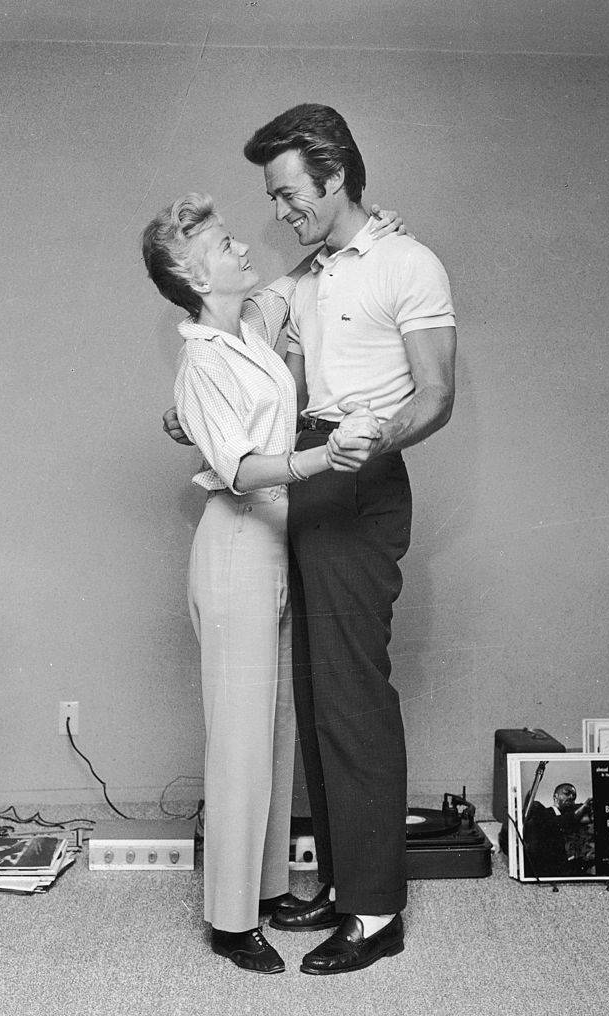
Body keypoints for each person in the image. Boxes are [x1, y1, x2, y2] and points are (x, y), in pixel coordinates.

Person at [165, 103, 457, 975]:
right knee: (316, 691)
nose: (282, 211)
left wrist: (371, 445)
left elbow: (437, 395)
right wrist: (192, 413)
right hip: (304, 469)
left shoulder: (410, 262)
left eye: (292, 195)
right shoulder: (309, 274)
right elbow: (226, 328)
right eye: (274, 198)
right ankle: (338, 882)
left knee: (353, 692)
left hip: (356, 475)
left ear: (335, 177)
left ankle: (375, 912)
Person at [143, 193, 401, 975]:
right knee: (239, 738)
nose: (241, 250)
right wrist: (330, 457)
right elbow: (241, 466)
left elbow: (294, 275)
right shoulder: (202, 358)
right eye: (225, 246)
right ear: (193, 274)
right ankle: (228, 923)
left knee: (275, 729)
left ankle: (258, 894)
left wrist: (363, 227)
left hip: (276, 539)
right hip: (235, 541)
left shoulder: (247, 326)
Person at [524, 783, 594, 877]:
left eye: (574, 796)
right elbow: (559, 822)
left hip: (564, 869)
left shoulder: (572, 819)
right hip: (547, 872)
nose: (571, 797)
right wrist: (583, 807)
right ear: (555, 796)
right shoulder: (543, 812)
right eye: (567, 793)